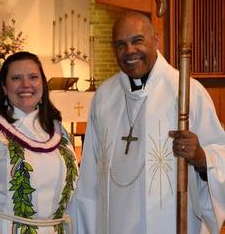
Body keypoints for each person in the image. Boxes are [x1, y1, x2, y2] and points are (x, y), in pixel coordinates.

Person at [68, 12, 225, 234]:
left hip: (169, 224)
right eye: (121, 45)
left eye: (137, 41)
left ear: (155, 40)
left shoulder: (187, 92)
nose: (130, 51)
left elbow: (221, 154)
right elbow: (90, 174)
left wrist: (201, 157)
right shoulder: (104, 96)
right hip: (114, 223)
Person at [0, 51, 78, 234]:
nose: (26, 85)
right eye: (16, 78)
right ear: (4, 87)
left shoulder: (59, 131)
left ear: (42, 83)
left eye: (33, 77)